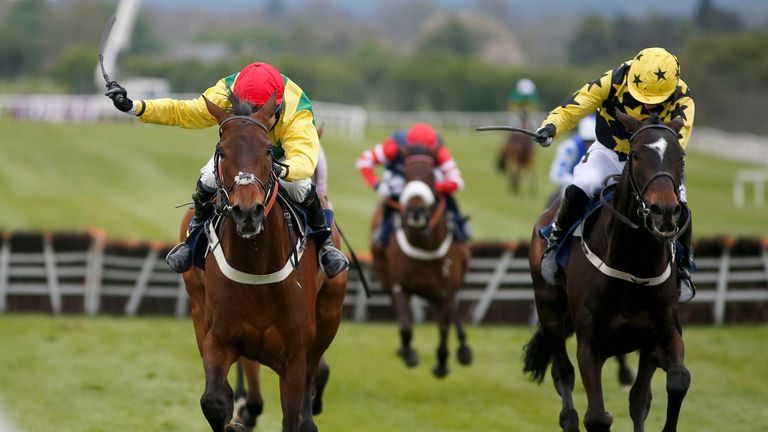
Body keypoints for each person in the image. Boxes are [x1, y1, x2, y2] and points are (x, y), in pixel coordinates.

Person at [105, 62, 349, 278]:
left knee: (300, 186)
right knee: (209, 178)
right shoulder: (225, 92)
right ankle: (192, 242)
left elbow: (305, 159)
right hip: (238, 151)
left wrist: (278, 168)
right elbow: (183, 111)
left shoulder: (297, 108)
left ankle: (326, 245)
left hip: (278, 157)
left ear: (278, 105)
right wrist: (134, 106)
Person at [533, 47, 696, 303]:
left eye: (655, 99)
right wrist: (551, 126)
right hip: (609, 153)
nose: (647, 104)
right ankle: (555, 244)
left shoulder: (682, 97)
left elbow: (677, 142)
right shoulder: (613, 81)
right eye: (644, 96)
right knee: (583, 184)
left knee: (679, 203)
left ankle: (684, 269)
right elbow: (576, 105)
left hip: (654, 161)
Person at [356, 123, 470, 247]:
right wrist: (377, 185)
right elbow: (364, 161)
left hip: (429, 182)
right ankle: (383, 231)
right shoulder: (393, 146)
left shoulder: (440, 150)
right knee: (391, 197)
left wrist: (435, 187)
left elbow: (457, 181)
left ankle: (459, 224)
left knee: (448, 198)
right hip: (401, 181)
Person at [548, 114, 597, 189]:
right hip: (572, 187)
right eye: (588, 141)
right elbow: (556, 174)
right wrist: (580, 182)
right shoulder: (569, 147)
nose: (590, 146)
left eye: (594, 142)